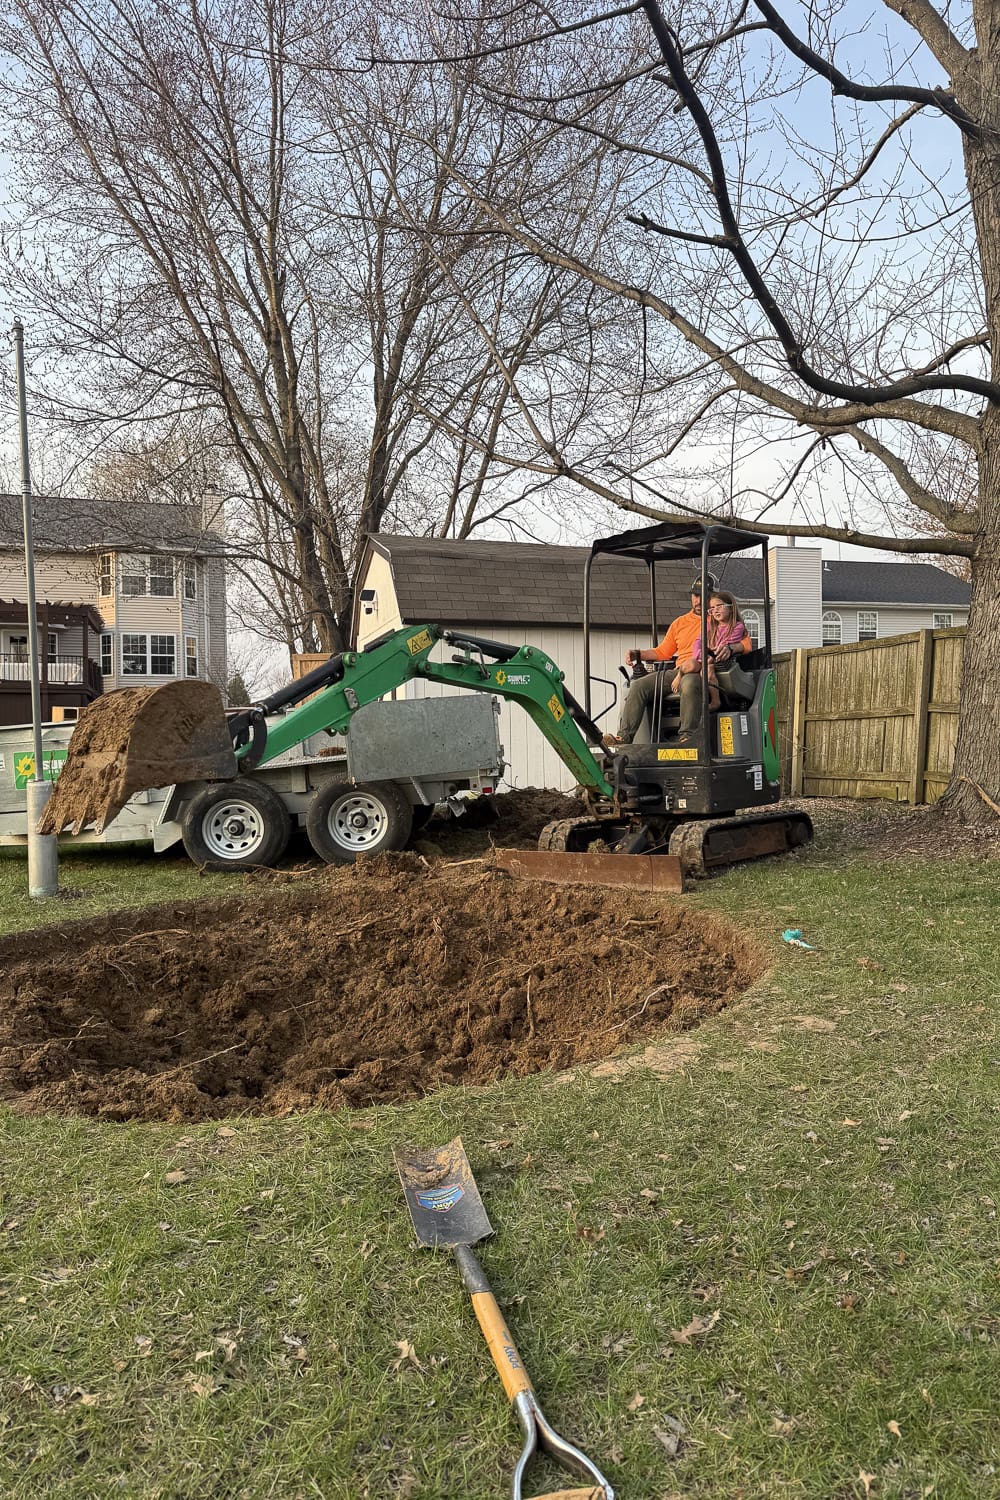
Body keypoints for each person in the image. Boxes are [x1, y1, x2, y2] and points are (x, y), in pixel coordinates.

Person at [607, 578, 750, 745]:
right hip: (680, 670)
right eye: (695, 595)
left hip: (704, 670)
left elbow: (746, 644)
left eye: (704, 596)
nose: (698, 600)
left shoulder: (719, 619)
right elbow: (662, 652)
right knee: (638, 686)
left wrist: (733, 648)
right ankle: (623, 738)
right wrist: (638, 654)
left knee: (689, 683)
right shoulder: (680, 623)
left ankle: (687, 737)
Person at [669, 591, 751, 739]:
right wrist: (701, 654)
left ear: (730, 607)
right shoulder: (709, 625)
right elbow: (698, 643)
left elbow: (724, 644)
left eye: (719, 606)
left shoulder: (737, 627)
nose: (715, 611)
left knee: (708, 668)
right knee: (691, 665)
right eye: (712, 609)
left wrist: (710, 654)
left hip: (722, 662)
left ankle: (715, 701)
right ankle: (679, 675)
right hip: (705, 658)